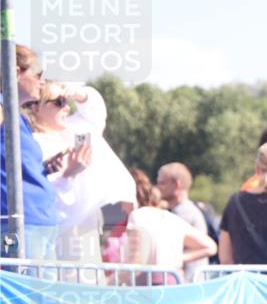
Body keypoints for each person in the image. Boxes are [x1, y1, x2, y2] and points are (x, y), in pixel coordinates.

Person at [28, 81, 135, 283]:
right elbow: (41, 191)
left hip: (88, 221)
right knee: (64, 285)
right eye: (59, 101)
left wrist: (77, 93)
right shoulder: (33, 142)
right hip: (59, 226)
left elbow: (96, 109)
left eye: (67, 101)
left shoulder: (78, 127)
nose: (67, 106)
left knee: (90, 280)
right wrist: (69, 174)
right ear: (35, 107)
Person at [1, 45, 89, 263]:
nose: (42, 82)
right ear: (15, 72)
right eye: (38, 75)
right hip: (20, 224)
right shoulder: (3, 112)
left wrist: (45, 168)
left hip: (42, 222)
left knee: (42, 296)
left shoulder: (18, 118)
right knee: (28, 296)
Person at [121, 176, 216, 285]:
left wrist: (110, 282)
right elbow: (210, 246)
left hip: (149, 286)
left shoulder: (137, 216)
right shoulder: (172, 218)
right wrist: (178, 258)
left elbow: (136, 263)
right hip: (174, 282)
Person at [156, 162, 208, 282]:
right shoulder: (184, 210)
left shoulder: (183, 213)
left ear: (177, 184)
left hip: (187, 281)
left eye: (162, 183)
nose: (158, 187)